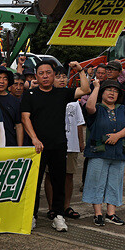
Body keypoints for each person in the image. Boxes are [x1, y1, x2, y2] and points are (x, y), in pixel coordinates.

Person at [21, 60, 89, 232]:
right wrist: (35, 139)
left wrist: (80, 70)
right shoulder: (30, 95)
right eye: (41, 73)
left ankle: (58, 216)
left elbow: (86, 90)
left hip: (59, 145)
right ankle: (32, 216)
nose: (45, 76)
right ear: (36, 75)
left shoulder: (62, 93)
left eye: (48, 73)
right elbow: (25, 118)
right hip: (37, 147)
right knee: (33, 184)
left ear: (54, 75)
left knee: (59, 182)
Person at [82, 79, 125, 226]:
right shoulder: (97, 108)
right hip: (98, 152)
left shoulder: (122, 109)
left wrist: (117, 135)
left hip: (118, 152)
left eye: (115, 91)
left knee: (115, 182)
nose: (112, 93)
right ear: (102, 93)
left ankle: (111, 213)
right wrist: (96, 87)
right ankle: (98, 213)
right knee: (96, 182)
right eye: (108, 90)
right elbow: (89, 106)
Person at [44, 68, 86, 220]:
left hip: (71, 144)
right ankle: (51, 208)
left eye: (64, 77)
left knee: (69, 175)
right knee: (50, 175)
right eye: (58, 77)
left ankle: (66, 206)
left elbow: (79, 123)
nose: (61, 79)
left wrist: (81, 142)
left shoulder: (74, 100)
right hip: (53, 143)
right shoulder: (47, 96)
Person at [0, 67, 23, 146]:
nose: (1, 81)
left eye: (5, 79)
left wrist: (20, 148)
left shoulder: (15, 101)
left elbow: (18, 125)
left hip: (10, 144)